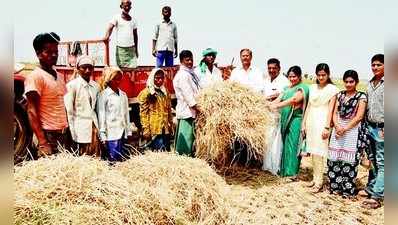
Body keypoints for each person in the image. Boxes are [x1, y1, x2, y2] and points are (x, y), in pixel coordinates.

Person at [24, 32, 70, 156]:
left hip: (62, 134)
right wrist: (43, 142)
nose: (54, 55)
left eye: (56, 51)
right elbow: (31, 111)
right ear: (38, 54)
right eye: (49, 52)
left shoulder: (58, 75)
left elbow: (61, 104)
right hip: (48, 135)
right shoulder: (36, 77)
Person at [327, 70, 368, 198]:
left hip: (352, 131)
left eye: (351, 82)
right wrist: (338, 126)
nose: (348, 84)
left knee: (349, 161)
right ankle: (334, 187)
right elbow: (334, 113)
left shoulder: (361, 97)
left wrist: (344, 129)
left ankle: (347, 190)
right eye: (346, 82)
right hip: (338, 129)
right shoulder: (340, 95)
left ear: (356, 82)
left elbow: (359, 116)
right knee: (334, 159)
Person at [301, 63, 339, 193]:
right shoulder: (312, 87)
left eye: (324, 75)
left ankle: (319, 182)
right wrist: (304, 123)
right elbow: (309, 106)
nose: (321, 77)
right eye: (319, 75)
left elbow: (331, 109)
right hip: (312, 120)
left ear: (328, 75)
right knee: (313, 151)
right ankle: (314, 179)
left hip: (322, 121)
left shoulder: (332, 89)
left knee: (320, 152)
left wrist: (327, 127)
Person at [270, 66, 309, 179]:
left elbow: (294, 100)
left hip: (296, 120)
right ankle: (284, 171)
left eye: (294, 76)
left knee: (293, 145)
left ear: (300, 76)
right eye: (290, 76)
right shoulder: (286, 88)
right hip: (285, 120)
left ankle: (292, 173)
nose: (292, 79)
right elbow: (279, 98)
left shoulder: (303, 88)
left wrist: (277, 106)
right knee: (285, 145)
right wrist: (268, 104)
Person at [359, 54, 384, 209]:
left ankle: (377, 196)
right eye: (373, 65)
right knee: (373, 160)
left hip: (383, 128)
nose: (375, 67)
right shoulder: (369, 84)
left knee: (383, 163)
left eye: (379, 65)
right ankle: (371, 188)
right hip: (370, 127)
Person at [64, 55, 101, 157]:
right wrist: (72, 131)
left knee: (95, 155)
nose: (87, 70)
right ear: (78, 69)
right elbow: (69, 111)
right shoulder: (72, 86)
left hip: (93, 126)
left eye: (90, 68)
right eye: (84, 67)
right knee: (82, 155)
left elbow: (97, 110)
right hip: (79, 126)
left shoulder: (96, 86)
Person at [98, 66, 132, 161]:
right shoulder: (103, 95)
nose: (117, 81)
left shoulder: (123, 95)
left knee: (123, 159)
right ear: (109, 80)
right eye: (115, 79)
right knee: (113, 160)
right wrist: (102, 135)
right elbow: (102, 116)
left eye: (119, 79)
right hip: (111, 134)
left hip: (122, 133)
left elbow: (126, 115)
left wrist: (128, 131)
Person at [137, 68, 173, 151]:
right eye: (157, 78)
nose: (160, 80)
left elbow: (169, 110)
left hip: (165, 128)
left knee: (166, 152)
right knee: (158, 153)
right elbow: (143, 113)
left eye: (162, 78)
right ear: (152, 78)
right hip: (154, 128)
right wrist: (146, 129)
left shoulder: (165, 92)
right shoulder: (146, 93)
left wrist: (171, 124)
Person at [173, 50, 200, 156]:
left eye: (191, 59)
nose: (190, 62)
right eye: (187, 60)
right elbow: (188, 95)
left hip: (192, 112)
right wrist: (197, 107)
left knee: (191, 138)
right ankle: (183, 159)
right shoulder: (183, 75)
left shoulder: (190, 73)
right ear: (181, 61)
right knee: (185, 139)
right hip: (187, 112)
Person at [104, 0, 138, 68]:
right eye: (125, 6)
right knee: (121, 68)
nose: (127, 7)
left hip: (131, 49)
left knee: (133, 67)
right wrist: (106, 37)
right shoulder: (116, 17)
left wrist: (136, 49)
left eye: (128, 6)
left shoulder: (133, 20)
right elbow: (110, 27)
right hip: (120, 48)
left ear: (130, 7)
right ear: (121, 6)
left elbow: (135, 35)